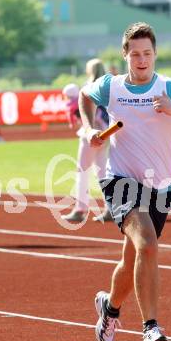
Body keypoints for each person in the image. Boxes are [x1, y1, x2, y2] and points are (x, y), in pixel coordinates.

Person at [79, 22, 171, 341]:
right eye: (135, 54)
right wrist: (89, 130)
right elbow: (86, 96)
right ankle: (150, 328)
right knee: (148, 244)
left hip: (159, 187)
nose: (142, 60)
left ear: (155, 54)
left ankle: (109, 308)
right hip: (120, 182)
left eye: (148, 53)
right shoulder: (111, 86)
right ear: (125, 55)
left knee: (133, 261)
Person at [61, 58, 112, 222]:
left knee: (82, 171)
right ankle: (110, 208)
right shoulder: (109, 87)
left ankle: (80, 208)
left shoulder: (88, 88)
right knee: (103, 172)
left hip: (90, 134)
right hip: (107, 133)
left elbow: (89, 114)